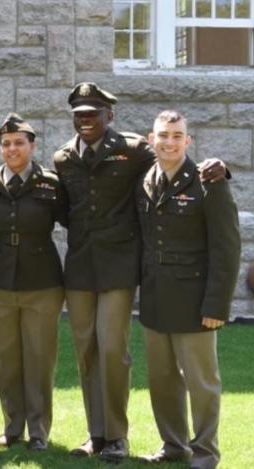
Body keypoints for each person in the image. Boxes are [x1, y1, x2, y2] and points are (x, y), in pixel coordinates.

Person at [52, 82, 227, 462]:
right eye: (79, 114)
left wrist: (220, 166)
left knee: (113, 350)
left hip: (119, 266)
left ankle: (117, 437)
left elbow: (177, 163)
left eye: (93, 113)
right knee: (86, 353)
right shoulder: (63, 157)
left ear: (109, 116)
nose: (85, 120)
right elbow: (66, 211)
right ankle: (95, 434)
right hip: (81, 266)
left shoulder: (134, 151)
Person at [135, 110, 239, 469]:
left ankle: (206, 455)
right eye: (163, 135)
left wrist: (217, 306)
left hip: (195, 303)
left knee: (202, 385)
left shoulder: (209, 182)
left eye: (177, 135)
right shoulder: (147, 179)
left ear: (188, 141)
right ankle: (174, 446)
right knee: (162, 383)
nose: (170, 142)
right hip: (154, 300)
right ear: (152, 139)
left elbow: (227, 249)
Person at [0, 113, 68, 451]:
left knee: (40, 359)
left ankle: (39, 431)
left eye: (19, 143)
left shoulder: (52, 185)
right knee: (6, 358)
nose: (12, 148)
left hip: (42, 282)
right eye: (6, 143)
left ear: (32, 145)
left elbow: (74, 221)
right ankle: (12, 427)